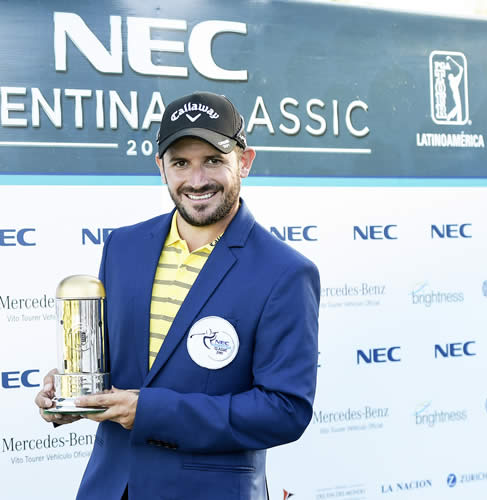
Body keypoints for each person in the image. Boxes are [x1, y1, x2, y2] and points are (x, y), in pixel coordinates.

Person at [34, 91, 320, 500]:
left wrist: (150, 412)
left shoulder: (285, 272)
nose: (197, 179)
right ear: (161, 168)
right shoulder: (123, 246)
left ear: (245, 161)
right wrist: (73, 391)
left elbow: (285, 412)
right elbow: (122, 370)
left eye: (213, 160)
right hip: (110, 488)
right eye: (181, 163)